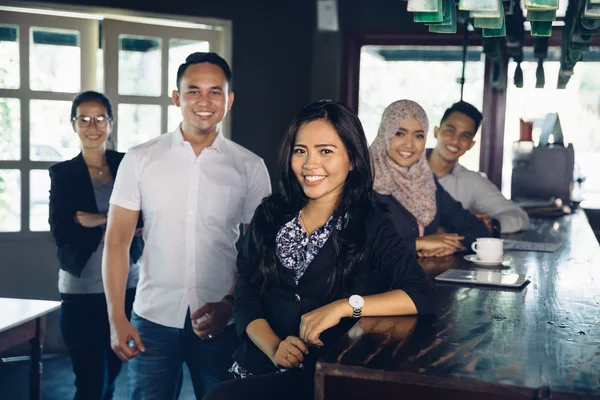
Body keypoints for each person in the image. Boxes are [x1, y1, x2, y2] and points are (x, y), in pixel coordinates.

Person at [203, 99, 436, 400]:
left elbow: (421, 294)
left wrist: (343, 307)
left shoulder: (371, 223)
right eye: (301, 151)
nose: (310, 164)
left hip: (323, 378)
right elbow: (246, 295)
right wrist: (274, 347)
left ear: (352, 159)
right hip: (257, 364)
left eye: (325, 151)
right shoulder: (269, 214)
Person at [102, 52, 271, 399]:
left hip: (221, 322)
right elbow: (117, 241)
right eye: (193, 91)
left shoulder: (250, 167)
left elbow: (261, 251)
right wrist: (116, 318)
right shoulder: (140, 159)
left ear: (229, 99)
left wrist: (230, 303)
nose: (204, 102)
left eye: (215, 91)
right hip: (151, 317)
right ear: (177, 97)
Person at [48, 91, 143, 400]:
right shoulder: (63, 174)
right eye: (84, 119)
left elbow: (142, 219)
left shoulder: (126, 164)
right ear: (74, 125)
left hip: (126, 288)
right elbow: (63, 231)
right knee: (91, 382)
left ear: (110, 124)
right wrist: (116, 223)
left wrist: (91, 219)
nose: (92, 126)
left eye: (100, 118)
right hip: (81, 292)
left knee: (113, 376)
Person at [370, 99, 490, 258]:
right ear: (385, 133)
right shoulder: (362, 180)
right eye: (399, 133)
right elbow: (353, 248)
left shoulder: (425, 182)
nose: (409, 145)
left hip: (422, 278)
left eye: (418, 136)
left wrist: (450, 245)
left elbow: (478, 230)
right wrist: (419, 243)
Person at [427, 100, 529, 234]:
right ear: (436, 132)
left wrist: (491, 225)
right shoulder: (404, 166)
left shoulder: (471, 181)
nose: (456, 141)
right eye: (450, 131)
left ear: (471, 144)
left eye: (465, 136)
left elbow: (520, 218)